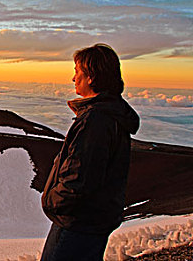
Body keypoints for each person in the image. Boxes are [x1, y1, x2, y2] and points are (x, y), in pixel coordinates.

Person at [40, 43, 140, 261]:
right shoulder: (110, 115)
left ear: (91, 77)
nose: (73, 78)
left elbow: (80, 177)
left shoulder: (96, 120)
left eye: (77, 72)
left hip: (77, 223)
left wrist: (53, 201)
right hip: (92, 221)